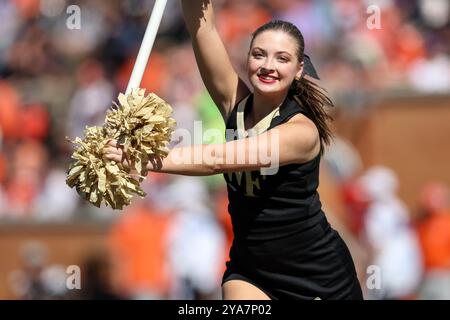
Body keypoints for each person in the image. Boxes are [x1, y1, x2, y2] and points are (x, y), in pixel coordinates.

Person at [104, 0, 363, 300]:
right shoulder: (235, 105)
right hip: (251, 271)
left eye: (282, 58)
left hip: (316, 275)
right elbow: (203, 30)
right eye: (259, 54)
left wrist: (145, 160)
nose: (268, 66)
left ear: (298, 69)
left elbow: (218, 160)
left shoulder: (300, 131)